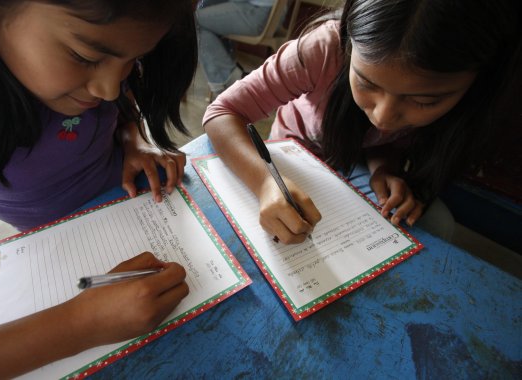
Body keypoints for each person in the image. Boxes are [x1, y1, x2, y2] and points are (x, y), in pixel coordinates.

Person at [0, 0, 196, 377]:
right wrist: (81, 325)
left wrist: (135, 137)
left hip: (125, 200)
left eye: (134, 60)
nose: (108, 89)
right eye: (85, 56)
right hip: (51, 249)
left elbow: (122, 97)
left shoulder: (103, 64)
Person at [203, 0, 521, 244]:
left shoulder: (477, 102)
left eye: (423, 101)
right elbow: (222, 113)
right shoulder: (322, 51)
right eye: (367, 83)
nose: (383, 116)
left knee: (436, 225)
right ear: (349, 45)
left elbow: (385, 139)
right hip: (292, 162)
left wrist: (383, 168)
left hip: (353, 164)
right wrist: (265, 183)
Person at [196, 0, 276, 100]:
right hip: (264, 7)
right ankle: (231, 81)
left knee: (192, 21)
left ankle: (230, 84)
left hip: (261, 11)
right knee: (201, 10)